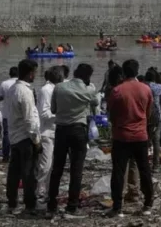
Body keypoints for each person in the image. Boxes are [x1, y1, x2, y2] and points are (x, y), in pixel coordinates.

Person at [47, 64, 99, 216]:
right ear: (88, 76)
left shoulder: (59, 88)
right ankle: (72, 205)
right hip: (78, 130)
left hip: (61, 130)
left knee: (57, 168)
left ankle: (51, 204)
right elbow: (95, 103)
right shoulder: (89, 90)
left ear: (75, 73)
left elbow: (53, 110)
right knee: (76, 170)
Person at [108, 59, 154, 217]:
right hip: (140, 135)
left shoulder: (117, 90)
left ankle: (117, 207)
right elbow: (148, 113)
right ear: (137, 70)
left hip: (121, 136)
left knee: (118, 172)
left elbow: (111, 115)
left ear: (123, 72)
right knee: (144, 170)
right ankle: (148, 204)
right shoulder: (145, 89)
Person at [5, 59, 41, 215]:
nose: (35, 75)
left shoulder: (12, 89)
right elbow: (29, 119)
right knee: (28, 173)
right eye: (34, 72)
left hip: (14, 135)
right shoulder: (25, 91)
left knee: (14, 172)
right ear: (30, 73)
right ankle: (30, 204)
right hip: (25, 137)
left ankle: (12, 202)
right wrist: (36, 140)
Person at [36, 67, 62, 199]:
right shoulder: (46, 90)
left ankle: (46, 190)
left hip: (53, 131)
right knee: (45, 165)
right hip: (46, 132)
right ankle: (40, 190)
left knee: (51, 165)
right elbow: (44, 113)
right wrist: (60, 115)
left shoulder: (55, 89)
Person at [144, 69, 161, 170]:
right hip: (156, 116)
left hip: (144, 116)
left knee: (144, 140)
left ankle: (143, 163)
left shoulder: (142, 86)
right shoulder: (156, 87)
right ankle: (156, 165)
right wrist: (158, 76)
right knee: (156, 141)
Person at [0, 67, 19, 162]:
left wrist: (6, 96)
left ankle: (5, 156)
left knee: (6, 134)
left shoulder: (4, 83)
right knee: (18, 135)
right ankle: (15, 155)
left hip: (6, 113)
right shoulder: (20, 84)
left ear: (9, 74)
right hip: (18, 114)